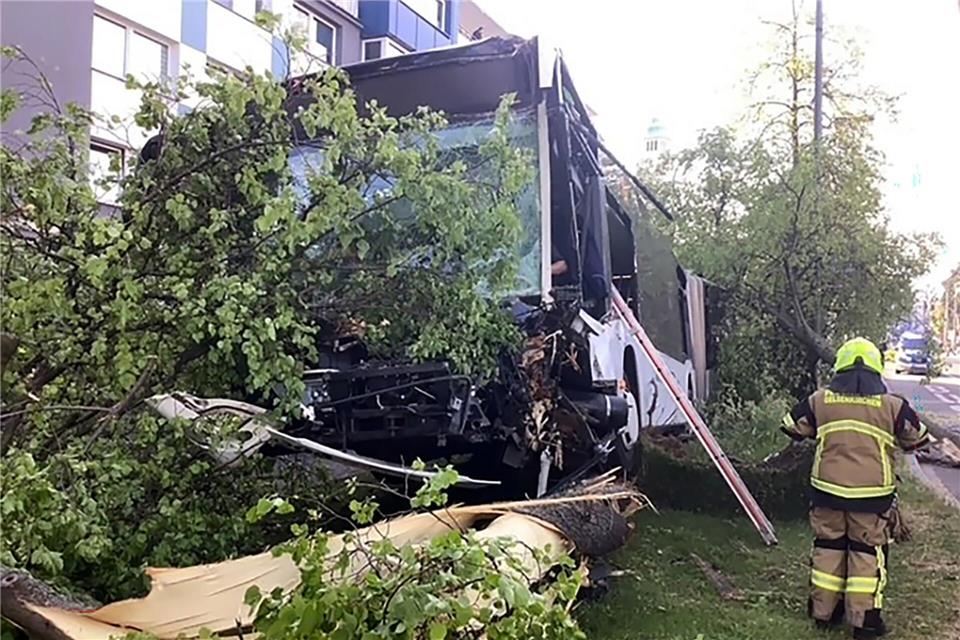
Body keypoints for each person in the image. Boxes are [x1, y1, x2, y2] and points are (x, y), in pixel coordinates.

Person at [781, 337, 930, 639]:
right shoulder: (894, 406)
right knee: (866, 552)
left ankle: (824, 613)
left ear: (840, 369)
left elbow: (791, 425)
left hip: (827, 492)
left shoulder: (819, 400)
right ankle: (865, 622)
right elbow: (917, 438)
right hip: (872, 498)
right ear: (876, 370)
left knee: (828, 547)